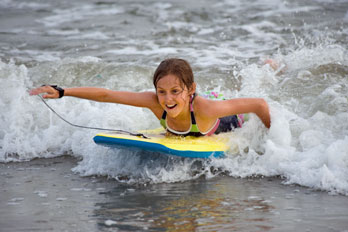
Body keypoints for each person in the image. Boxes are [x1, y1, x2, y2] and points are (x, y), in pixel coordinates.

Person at [30, 58, 271, 136]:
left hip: (227, 122)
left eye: (175, 91)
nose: (167, 99)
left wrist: (274, 141)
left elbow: (259, 104)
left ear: (190, 89)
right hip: (194, 108)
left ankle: (269, 68)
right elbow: (107, 95)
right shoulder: (156, 103)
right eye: (161, 91)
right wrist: (62, 91)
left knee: (238, 99)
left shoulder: (207, 108)